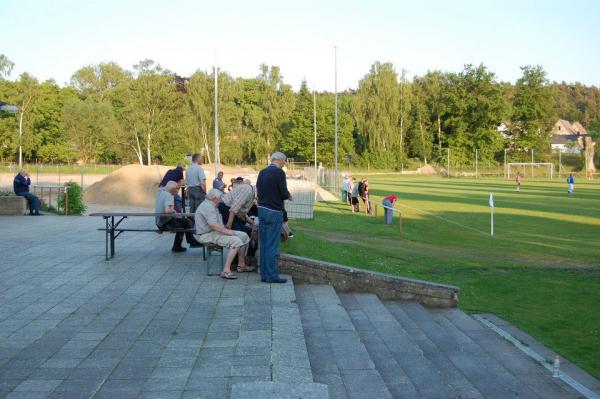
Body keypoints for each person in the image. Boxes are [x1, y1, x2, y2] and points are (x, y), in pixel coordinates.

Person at [195, 189, 251, 279]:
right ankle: (226, 271)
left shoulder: (213, 205)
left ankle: (241, 265)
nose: (222, 199)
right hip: (207, 235)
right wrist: (228, 232)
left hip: (215, 232)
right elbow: (213, 225)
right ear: (215, 198)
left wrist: (227, 230)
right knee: (235, 240)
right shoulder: (208, 207)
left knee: (243, 236)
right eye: (220, 197)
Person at [256, 151, 291, 284]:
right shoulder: (279, 173)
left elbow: (259, 190)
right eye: (284, 161)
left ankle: (264, 275)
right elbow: (283, 193)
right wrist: (288, 195)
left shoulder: (262, 172)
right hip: (274, 211)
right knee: (272, 246)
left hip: (262, 210)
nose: (284, 164)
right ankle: (271, 276)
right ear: (280, 160)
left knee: (264, 244)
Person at [218, 177, 257, 269]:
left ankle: (243, 261)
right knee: (239, 235)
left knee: (247, 232)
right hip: (227, 210)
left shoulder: (251, 193)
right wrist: (229, 223)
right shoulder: (248, 190)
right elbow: (234, 208)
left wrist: (252, 222)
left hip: (231, 212)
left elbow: (241, 211)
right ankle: (235, 264)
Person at [155, 181, 202, 252]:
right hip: (164, 222)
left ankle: (191, 241)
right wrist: (174, 211)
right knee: (180, 227)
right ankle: (176, 247)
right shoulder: (169, 195)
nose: (177, 191)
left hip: (160, 220)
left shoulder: (161, 192)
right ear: (173, 190)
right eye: (177, 189)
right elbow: (167, 210)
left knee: (185, 221)